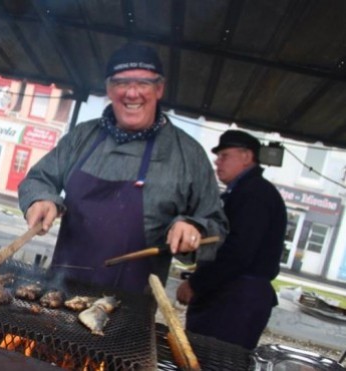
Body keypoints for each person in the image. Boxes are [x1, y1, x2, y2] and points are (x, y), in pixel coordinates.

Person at [18, 43, 227, 293]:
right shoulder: (82, 137)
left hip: (131, 313)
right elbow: (39, 178)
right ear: (108, 89)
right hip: (58, 298)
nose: (131, 93)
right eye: (121, 83)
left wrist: (195, 229)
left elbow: (216, 226)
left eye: (143, 83)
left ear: (159, 88)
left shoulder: (188, 155)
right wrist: (40, 199)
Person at [176, 130, 287, 350]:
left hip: (237, 299)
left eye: (225, 155)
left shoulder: (254, 194)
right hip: (229, 295)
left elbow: (237, 252)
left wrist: (196, 283)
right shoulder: (241, 193)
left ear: (246, 157)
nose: (217, 161)